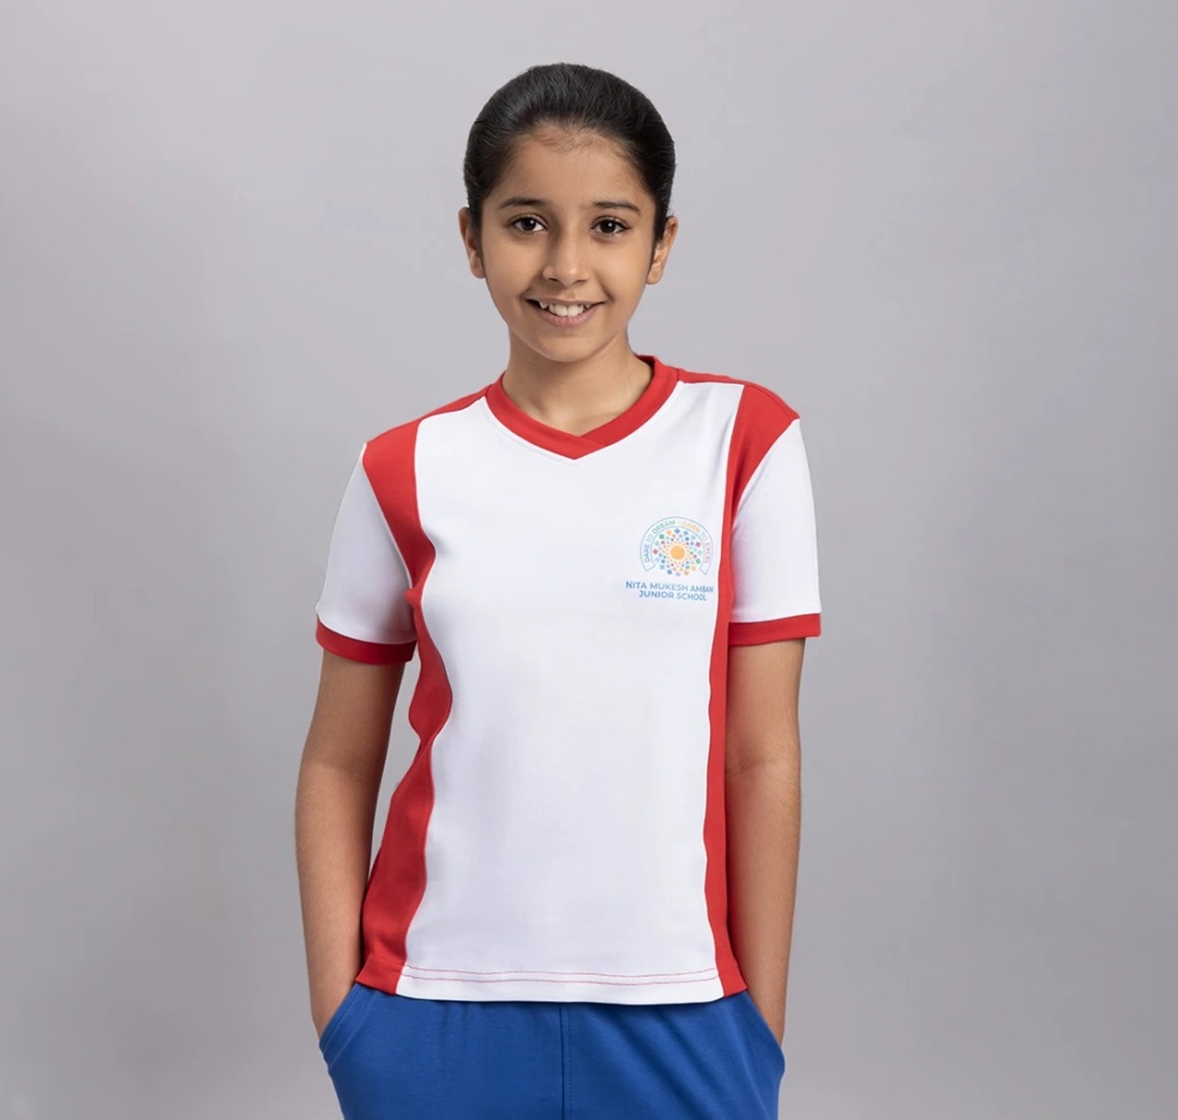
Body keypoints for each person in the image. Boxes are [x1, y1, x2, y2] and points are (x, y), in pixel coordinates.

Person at [295, 61, 822, 1119]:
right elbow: (338, 760)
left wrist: (756, 1028)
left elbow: (762, 754)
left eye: (610, 226)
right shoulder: (404, 466)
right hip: (428, 1010)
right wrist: (344, 1019)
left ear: (661, 245)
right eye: (527, 222)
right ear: (472, 237)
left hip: (686, 1010)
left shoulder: (743, 442)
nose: (566, 265)